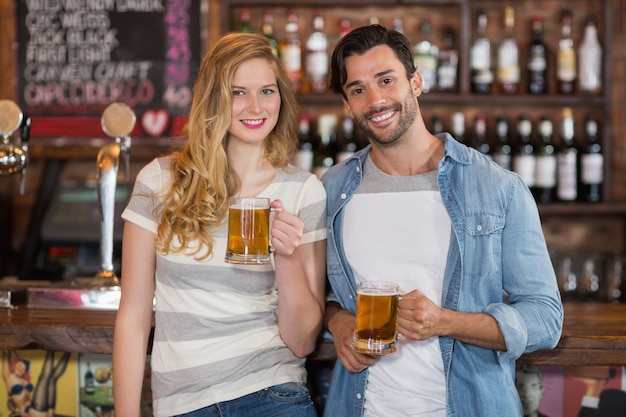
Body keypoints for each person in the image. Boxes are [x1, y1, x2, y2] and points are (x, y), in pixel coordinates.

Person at [321, 24, 563, 417]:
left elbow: (545, 318)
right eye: (358, 89)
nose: (376, 99)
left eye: (387, 80)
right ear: (347, 105)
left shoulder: (496, 186)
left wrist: (446, 322)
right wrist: (338, 321)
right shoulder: (332, 190)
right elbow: (322, 296)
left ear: (416, 82)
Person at [113, 32, 327, 417]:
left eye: (267, 90)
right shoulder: (161, 181)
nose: (255, 106)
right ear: (214, 98)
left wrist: (288, 258)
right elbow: (133, 316)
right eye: (238, 92)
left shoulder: (303, 191)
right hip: (183, 403)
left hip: (272, 393)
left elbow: (302, 342)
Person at [2, 350, 71, 417]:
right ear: (14, 364)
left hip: (35, 408)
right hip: (29, 411)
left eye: (23, 369)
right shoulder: (8, 377)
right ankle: (51, 347)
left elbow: (24, 360)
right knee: (43, 378)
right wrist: (8, 348)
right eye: (20, 366)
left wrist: (15, 350)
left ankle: (68, 349)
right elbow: (6, 354)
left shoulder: (23, 379)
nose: (21, 369)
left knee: (52, 379)